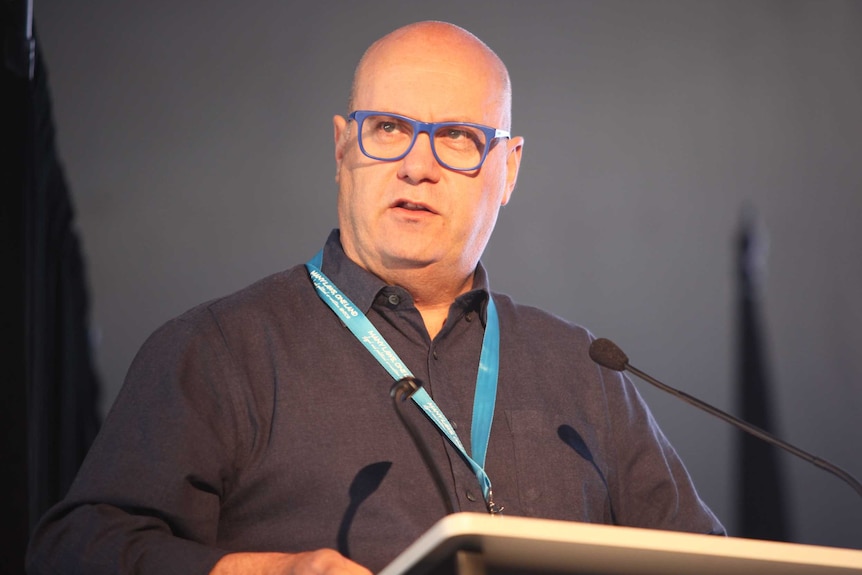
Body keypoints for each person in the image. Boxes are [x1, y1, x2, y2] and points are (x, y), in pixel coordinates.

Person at [27, 21, 724, 575]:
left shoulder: (585, 368)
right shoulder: (220, 351)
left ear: (508, 170)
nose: (417, 165)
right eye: (388, 128)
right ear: (342, 148)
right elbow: (74, 550)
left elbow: (709, 563)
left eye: (455, 137)